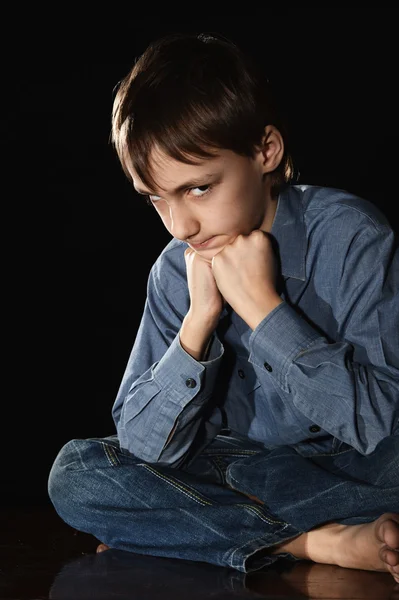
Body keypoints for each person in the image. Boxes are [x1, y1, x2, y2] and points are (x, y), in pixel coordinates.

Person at [48, 31, 399, 582]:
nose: (180, 225)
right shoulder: (175, 269)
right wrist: (198, 324)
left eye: (199, 189)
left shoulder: (351, 235)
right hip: (252, 469)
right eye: (156, 199)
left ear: (265, 151)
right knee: (78, 475)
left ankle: (201, 531)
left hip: (365, 468)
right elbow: (145, 449)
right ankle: (317, 542)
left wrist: (264, 311)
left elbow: (378, 426)